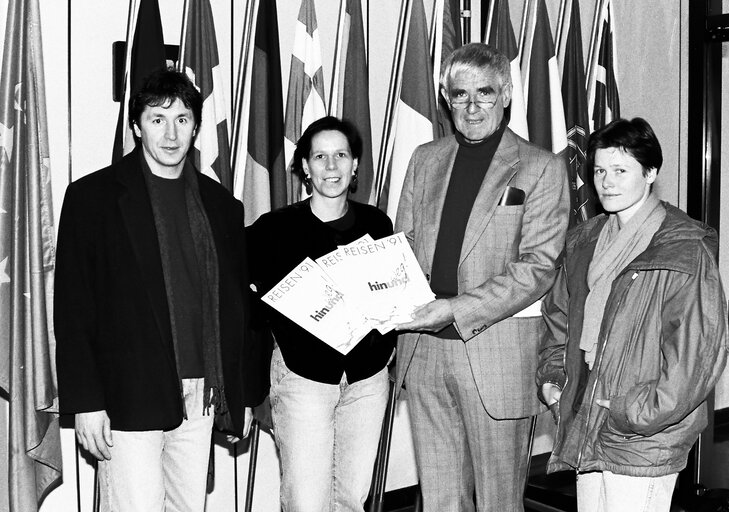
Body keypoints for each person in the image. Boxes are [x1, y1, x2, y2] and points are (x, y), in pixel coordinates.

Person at [54, 67, 256, 512]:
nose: (170, 133)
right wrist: (86, 401)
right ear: (136, 126)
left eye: (182, 119)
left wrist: (238, 396)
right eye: (157, 118)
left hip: (202, 393)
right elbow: (73, 309)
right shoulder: (93, 198)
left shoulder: (222, 206)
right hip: (128, 391)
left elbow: (238, 309)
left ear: (196, 128)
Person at [394, 43, 569, 511]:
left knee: (498, 502)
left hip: (497, 356)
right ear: (445, 98)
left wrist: (455, 309)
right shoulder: (424, 159)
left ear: (506, 94)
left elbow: (537, 268)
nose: (471, 107)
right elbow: (403, 249)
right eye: (459, 94)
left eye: (485, 93)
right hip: (424, 354)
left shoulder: (542, 168)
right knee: (440, 500)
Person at [537, 117, 728, 512]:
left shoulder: (684, 249)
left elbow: (696, 356)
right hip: (586, 416)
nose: (606, 182)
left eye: (620, 170)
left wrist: (633, 411)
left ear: (651, 172)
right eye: (599, 171)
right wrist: (554, 379)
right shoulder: (585, 240)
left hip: (641, 433)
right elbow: (559, 317)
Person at [246, 116, 395, 512]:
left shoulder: (378, 224)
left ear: (356, 164)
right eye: (320, 156)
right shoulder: (272, 230)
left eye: (341, 155)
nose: (332, 167)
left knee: (350, 499)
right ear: (305, 168)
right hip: (304, 379)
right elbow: (249, 306)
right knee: (306, 502)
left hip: (367, 379)